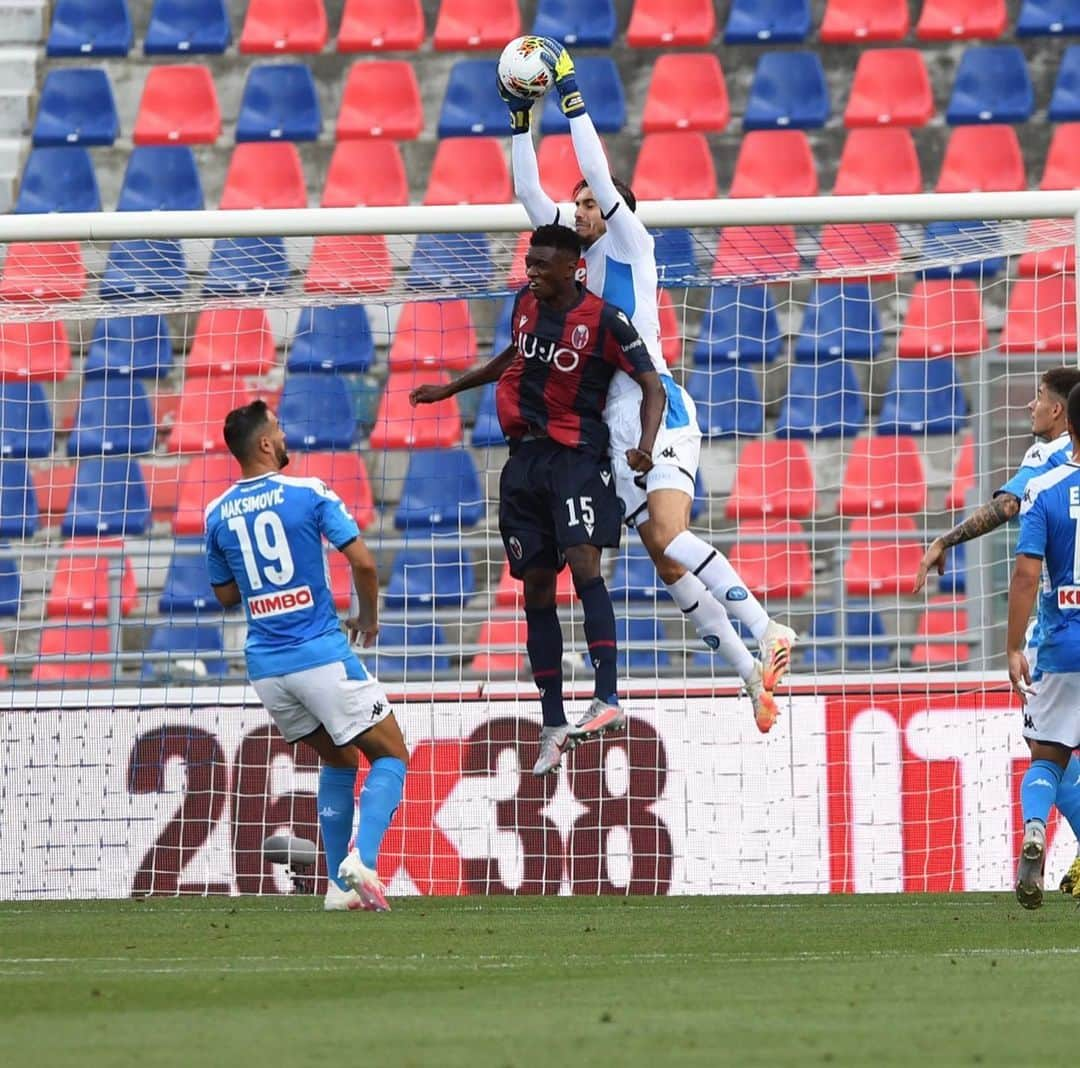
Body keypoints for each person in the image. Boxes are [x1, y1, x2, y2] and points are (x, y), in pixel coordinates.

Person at [500, 38, 796, 732]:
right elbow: (523, 193)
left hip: (653, 401)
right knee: (666, 562)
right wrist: (519, 119)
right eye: (572, 205)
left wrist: (570, 102)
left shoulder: (632, 245)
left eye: (587, 203)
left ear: (613, 211)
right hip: (608, 425)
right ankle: (750, 675)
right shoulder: (570, 268)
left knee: (670, 532)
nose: (577, 210)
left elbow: (599, 177)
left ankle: (765, 626)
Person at [411, 223, 665, 775]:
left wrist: (645, 447)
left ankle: (606, 698)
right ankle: (553, 722)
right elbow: (515, 357)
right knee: (536, 588)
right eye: (530, 262)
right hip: (523, 461)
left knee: (584, 564)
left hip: (575, 458)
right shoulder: (525, 302)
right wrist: (452, 388)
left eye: (541, 263)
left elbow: (653, 384)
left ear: (572, 267)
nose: (531, 271)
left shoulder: (604, 320)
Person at [204, 400, 408, 912]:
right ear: (266, 444)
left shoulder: (215, 513)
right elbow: (362, 562)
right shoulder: (308, 492)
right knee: (391, 754)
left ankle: (339, 890)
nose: (285, 435)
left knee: (339, 758)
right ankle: (362, 860)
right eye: (278, 429)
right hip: (319, 654)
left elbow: (227, 596)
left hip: (268, 670)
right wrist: (367, 619)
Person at [915, 366, 1080, 895]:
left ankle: (1042, 834)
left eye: (1038, 397)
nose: (1030, 406)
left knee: (1048, 749)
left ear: (1062, 414)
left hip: (1054, 635)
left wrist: (946, 540)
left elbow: (1008, 511)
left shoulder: (1044, 469)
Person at [1007, 381, 1080, 909]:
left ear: (1068, 426)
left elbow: (1027, 576)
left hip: (1059, 645)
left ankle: (1036, 828)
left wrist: (1014, 647)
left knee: (1048, 757)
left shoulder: (1045, 488)